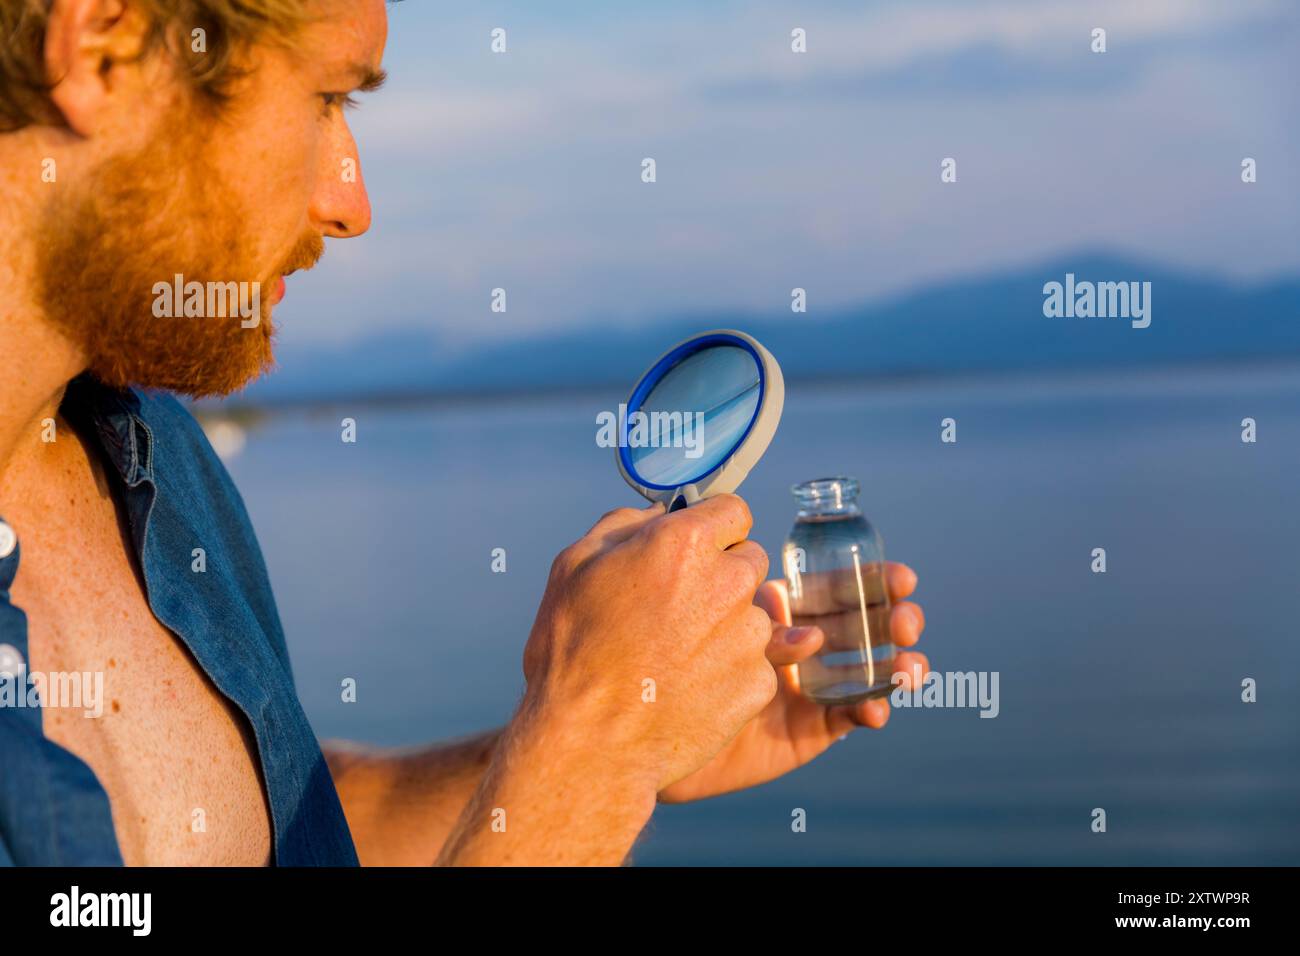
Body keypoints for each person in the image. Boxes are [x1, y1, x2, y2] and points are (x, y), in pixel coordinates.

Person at [0, 0, 928, 866]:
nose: (350, 205)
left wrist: (599, 739)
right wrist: (586, 765)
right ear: (103, 47)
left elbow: (244, 831)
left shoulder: (155, 453)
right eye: (327, 97)